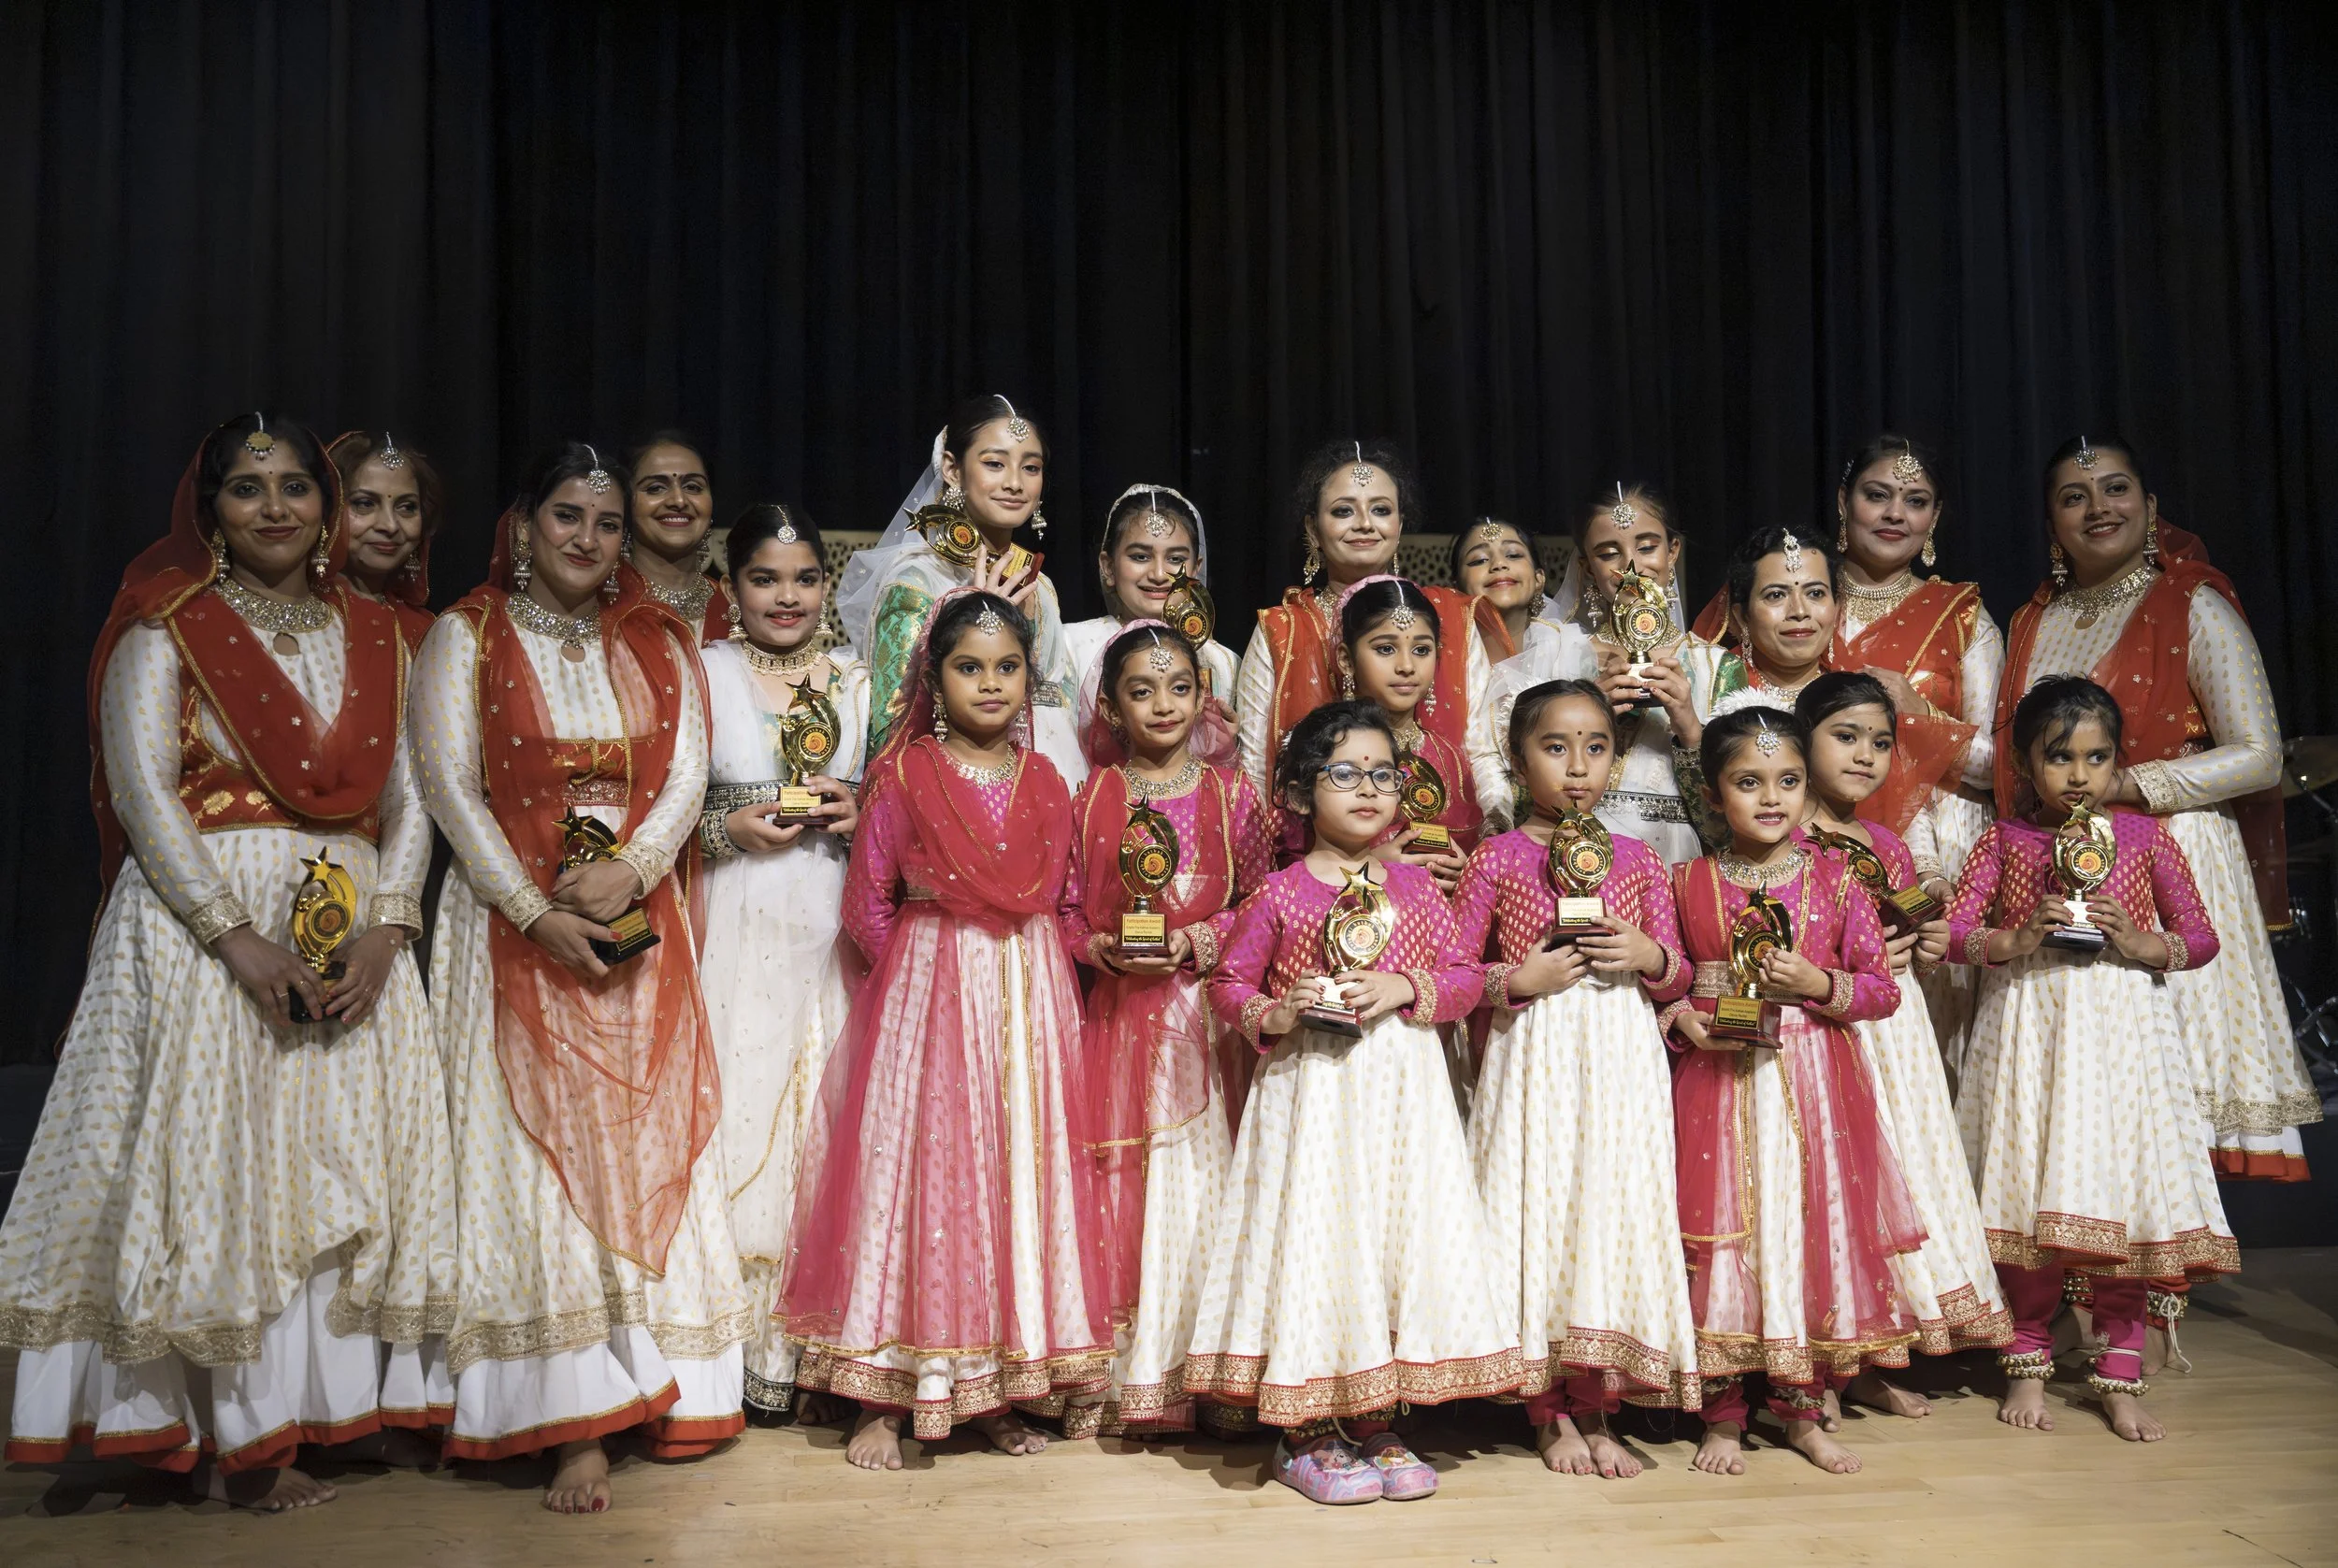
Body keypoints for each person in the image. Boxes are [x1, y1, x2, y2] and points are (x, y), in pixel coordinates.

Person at [0, 413, 454, 1510]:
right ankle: (224, 1439)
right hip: (197, 935)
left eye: (296, 487)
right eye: (248, 490)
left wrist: (390, 924)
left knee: (330, 1168)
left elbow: (415, 794)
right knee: (217, 1169)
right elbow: (146, 795)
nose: (277, 509)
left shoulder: (386, 635)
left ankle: (321, 1412)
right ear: (211, 511)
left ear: (326, 507)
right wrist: (230, 936)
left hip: (348, 928)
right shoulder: (167, 631)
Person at [411, 441, 747, 1514]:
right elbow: (447, 785)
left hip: (631, 921)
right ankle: (570, 1419)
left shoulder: (654, 638)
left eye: (605, 523)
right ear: (523, 522)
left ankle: (664, 1384)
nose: (587, 539)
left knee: (633, 1141)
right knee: (535, 1158)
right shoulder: (465, 635)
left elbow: (688, 773)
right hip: (510, 927)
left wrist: (636, 871)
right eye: (567, 515)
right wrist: (532, 910)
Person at [778, 590, 1115, 1472]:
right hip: (931, 997)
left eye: (1009, 667)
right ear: (934, 677)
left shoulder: (1047, 779)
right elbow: (869, 906)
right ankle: (887, 1396)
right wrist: (921, 992)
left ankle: (998, 1387)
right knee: (922, 1177)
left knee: (1016, 1173)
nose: (992, 683)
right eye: (971, 666)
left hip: (1027, 995)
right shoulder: (904, 774)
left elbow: (1063, 899)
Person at [1186, 701, 1519, 1506]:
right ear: (1299, 795)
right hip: (1314, 1097)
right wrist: (1280, 1009)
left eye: (1381, 773)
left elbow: (1467, 975)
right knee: (1320, 1238)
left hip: (1402, 1095)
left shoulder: (1415, 887)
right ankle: (1304, 1430)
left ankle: (1375, 1416)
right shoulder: (1281, 892)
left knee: (1389, 1238)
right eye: (1343, 773)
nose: (1367, 789)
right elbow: (1227, 985)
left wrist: (1406, 985)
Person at [1993, 435, 2315, 1182]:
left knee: (2168, 1066)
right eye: (2075, 496)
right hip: (2057, 862)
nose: (2098, 507)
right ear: (2051, 521)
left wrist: (2128, 786)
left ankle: (2163, 1270)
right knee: (2080, 1069)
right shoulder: (2030, 620)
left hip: (2177, 853)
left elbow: (2261, 753)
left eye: (2116, 488)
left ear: (2151, 505)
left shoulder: (2193, 604)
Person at [1950, 676, 2236, 1442]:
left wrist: (2145, 943)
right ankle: (2027, 1357)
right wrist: (2011, 940)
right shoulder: (2007, 841)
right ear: (2022, 761)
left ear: (2118, 761)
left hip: (2121, 1038)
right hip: (2032, 1033)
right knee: (2028, 1193)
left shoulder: (2143, 838)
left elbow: (2201, 936)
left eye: (2097, 756)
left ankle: (2119, 1373)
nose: (2079, 774)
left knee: (2127, 1199)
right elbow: (1953, 932)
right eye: (2058, 757)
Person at [1450, 679, 1699, 1477]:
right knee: (1539, 1212)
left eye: (1596, 748)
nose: (1578, 766)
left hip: (1621, 1059)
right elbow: (1456, 968)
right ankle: (1547, 1408)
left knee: (1610, 1210)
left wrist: (1649, 957)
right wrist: (1515, 979)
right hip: (1534, 1056)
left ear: (1618, 757)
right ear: (1520, 761)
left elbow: (1679, 972)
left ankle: (1600, 1403)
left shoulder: (1637, 860)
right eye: (1556, 748)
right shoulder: (1498, 855)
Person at [1665, 707, 1920, 1476]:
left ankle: (1803, 1409)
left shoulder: (1835, 878)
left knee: (1807, 1235)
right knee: (1725, 1238)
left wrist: (1820, 982)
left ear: (1808, 788)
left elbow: (1882, 990)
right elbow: (1670, 979)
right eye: (1749, 782)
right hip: (1719, 1080)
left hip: (1815, 1084)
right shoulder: (1689, 880)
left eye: (1787, 781)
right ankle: (1722, 1413)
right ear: (1713, 794)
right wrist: (1684, 1019)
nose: (1770, 797)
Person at [1061, 622, 1276, 1433]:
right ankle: (1128, 1373)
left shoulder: (1233, 795)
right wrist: (1101, 949)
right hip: (1120, 1016)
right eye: (1141, 690)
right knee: (1130, 1183)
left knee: (1207, 1179)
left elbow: (1263, 898)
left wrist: (1200, 938)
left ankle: (1211, 1367)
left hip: (1207, 1014)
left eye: (1179, 687)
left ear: (1203, 696)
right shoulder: (1091, 797)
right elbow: (1066, 910)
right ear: (1111, 704)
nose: (1162, 704)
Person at [1794, 673, 2012, 1422]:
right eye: (1845, 736)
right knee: (1834, 1181)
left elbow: (1916, 946)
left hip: (1897, 1034)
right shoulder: (1780, 836)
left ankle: (1877, 1352)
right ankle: (1826, 1360)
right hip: (1825, 1030)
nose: (1866, 755)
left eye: (1881, 742)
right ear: (1803, 737)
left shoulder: (1888, 845)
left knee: (1902, 1173)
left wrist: (1922, 942)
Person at [695, 503, 868, 1422]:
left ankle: (810, 1363)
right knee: (737, 1123)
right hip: (735, 919)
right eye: (765, 578)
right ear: (732, 587)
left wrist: (859, 810)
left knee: (821, 1125)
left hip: (826, 923)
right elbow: (668, 801)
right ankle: (727, 1366)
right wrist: (726, 828)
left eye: (804, 578)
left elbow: (891, 797)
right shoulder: (705, 671)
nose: (786, 596)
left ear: (828, 587)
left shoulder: (853, 677)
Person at [1823, 436, 2003, 1067]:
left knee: (1934, 1049)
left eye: (1916, 500)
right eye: (1878, 495)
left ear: (1934, 519)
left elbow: (2001, 766)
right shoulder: (1801, 601)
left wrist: (1919, 715)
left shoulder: (1964, 618)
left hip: (1942, 848)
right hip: (1815, 840)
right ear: (1843, 503)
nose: (1895, 513)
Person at [835, 395, 1085, 786]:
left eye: (1031, 467)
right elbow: (891, 730)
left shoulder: (1042, 586)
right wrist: (979, 627)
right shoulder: (917, 582)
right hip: (954, 793)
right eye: (994, 464)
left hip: (1050, 789)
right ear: (952, 469)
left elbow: (1064, 709)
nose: (1015, 483)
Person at [1233, 439, 1497, 807]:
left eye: (1381, 510)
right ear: (1313, 528)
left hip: (1447, 842)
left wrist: (1492, 826)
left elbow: (1483, 750)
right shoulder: (1282, 629)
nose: (1364, 524)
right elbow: (1255, 767)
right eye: (1343, 511)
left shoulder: (1450, 616)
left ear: (1400, 524)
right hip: (1315, 849)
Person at [1473, 482, 1722, 862]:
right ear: (1587, 566)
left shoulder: (1715, 666)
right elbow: (1514, 784)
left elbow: (1727, 826)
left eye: (1647, 546)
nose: (1632, 567)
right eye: (1609, 553)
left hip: (1677, 861)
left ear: (1673, 551)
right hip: (1566, 852)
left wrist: (1689, 728)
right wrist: (1588, 711)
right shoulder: (1553, 650)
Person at [1335, 575, 1481, 885]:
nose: (1406, 666)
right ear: (1347, 660)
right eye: (1386, 649)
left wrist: (1467, 873)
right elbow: (1290, 862)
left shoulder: (1450, 756)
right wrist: (1371, 864)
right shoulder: (1326, 750)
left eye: (1421, 650)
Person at [1062, 484, 1241, 717]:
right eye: (1140, 557)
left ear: (1196, 569)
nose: (1158, 574)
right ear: (1108, 566)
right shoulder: (1072, 647)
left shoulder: (1222, 663)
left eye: (1175, 558)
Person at [329, 428, 444, 653]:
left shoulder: (425, 629)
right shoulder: (305, 616)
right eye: (365, 504)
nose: (390, 526)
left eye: (407, 507)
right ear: (327, 509)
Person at [622, 430, 731, 642]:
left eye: (693, 487)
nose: (679, 501)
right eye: (656, 488)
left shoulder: (733, 606)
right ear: (626, 503)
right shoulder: (602, 605)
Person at [1452, 515, 1547, 662]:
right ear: (1456, 587)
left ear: (1539, 579)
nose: (1499, 564)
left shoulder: (1571, 651)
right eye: (1480, 560)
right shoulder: (1443, 658)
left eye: (1513, 555)